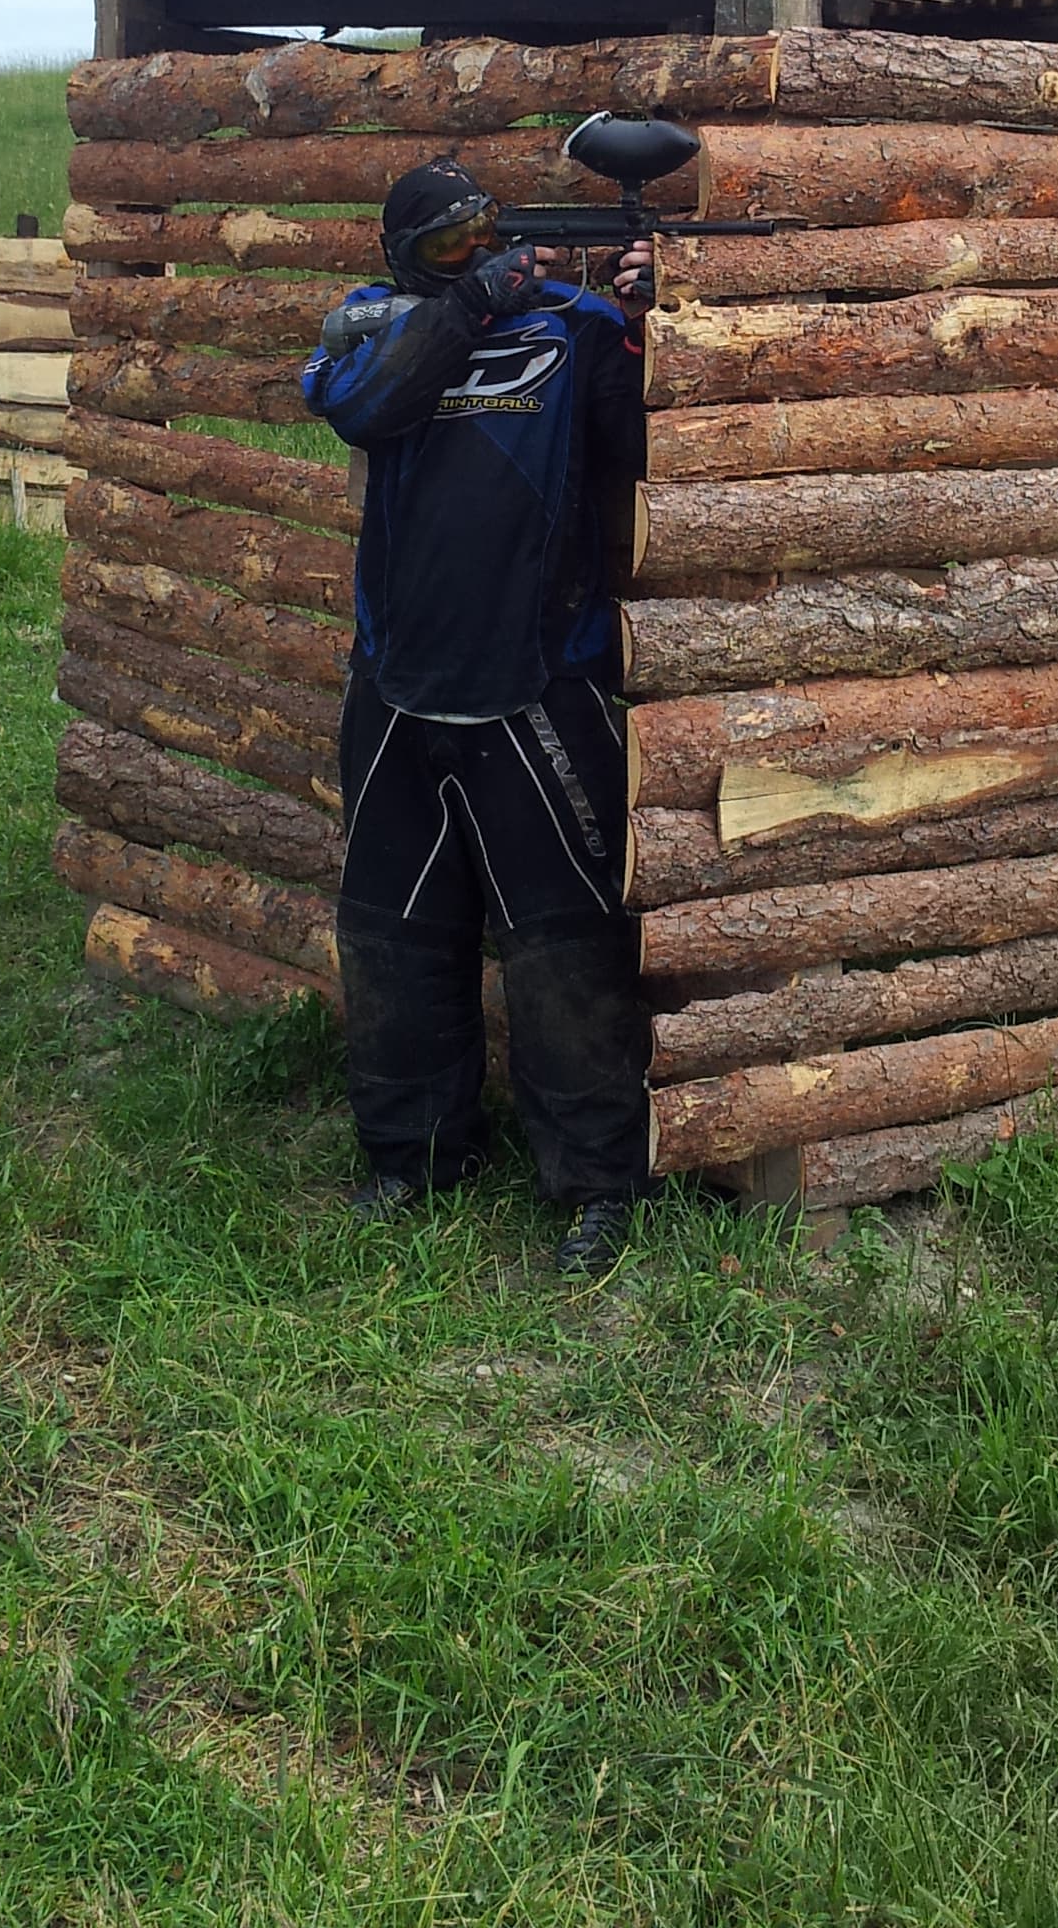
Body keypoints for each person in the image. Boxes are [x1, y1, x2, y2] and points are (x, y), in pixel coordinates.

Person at [302, 156, 657, 1279]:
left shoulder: (575, 328)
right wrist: (469, 305)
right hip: (397, 684)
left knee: (566, 951)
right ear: (407, 254)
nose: (480, 257)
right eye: (450, 244)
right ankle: (410, 1160)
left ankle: (598, 1187)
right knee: (394, 933)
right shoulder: (369, 331)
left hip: (540, 683)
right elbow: (362, 410)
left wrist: (657, 317)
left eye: (488, 238)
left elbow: (648, 445)